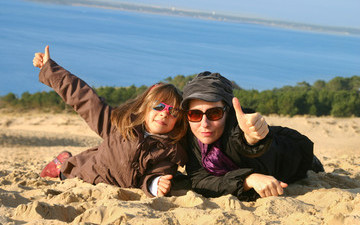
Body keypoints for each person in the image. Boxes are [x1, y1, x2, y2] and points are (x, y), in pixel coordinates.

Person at [33, 46, 188, 197]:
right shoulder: (120, 124)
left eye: (173, 111)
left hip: (114, 193)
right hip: (81, 177)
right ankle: (61, 164)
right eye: (159, 106)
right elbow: (83, 98)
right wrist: (49, 69)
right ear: (145, 106)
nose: (164, 113)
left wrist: (156, 184)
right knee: (66, 170)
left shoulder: (170, 152)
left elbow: (155, 176)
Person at [181, 71, 324, 201]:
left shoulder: (240, 127)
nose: (204, 123)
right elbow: (200, 181)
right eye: (195, 114)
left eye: (214, 113)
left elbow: (244, 142)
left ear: (228, 111)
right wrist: (247, 180)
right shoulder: (192, 140)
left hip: (296, 157)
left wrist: (252, 138)